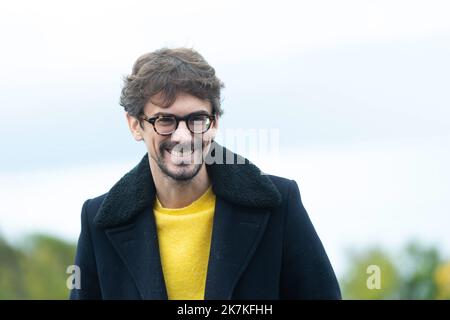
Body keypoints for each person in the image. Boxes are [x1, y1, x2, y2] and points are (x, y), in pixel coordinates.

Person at [70, 47, 341, 300]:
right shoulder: (98, 221)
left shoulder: (279, 204)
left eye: (197, 120)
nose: (183, 136)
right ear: (135, 125)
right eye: (165, 120)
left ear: (215, 123)